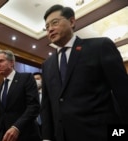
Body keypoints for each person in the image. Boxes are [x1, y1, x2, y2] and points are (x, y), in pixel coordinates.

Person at [41, 4, 128, 141]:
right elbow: (46, 106)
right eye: (46, 27)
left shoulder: (99, 47)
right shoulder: (47, 65)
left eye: (55, 23)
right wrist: (46, 138)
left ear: (71, 22)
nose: (50, 29)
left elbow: (123, 92)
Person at [0, 49, 41, 141]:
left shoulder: (26, 78)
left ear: (12, 63)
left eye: (1, 61)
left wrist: (16, 127)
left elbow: (34, 107)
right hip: (6, 137)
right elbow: (2, 115)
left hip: (26, 135)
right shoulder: (0, 87)